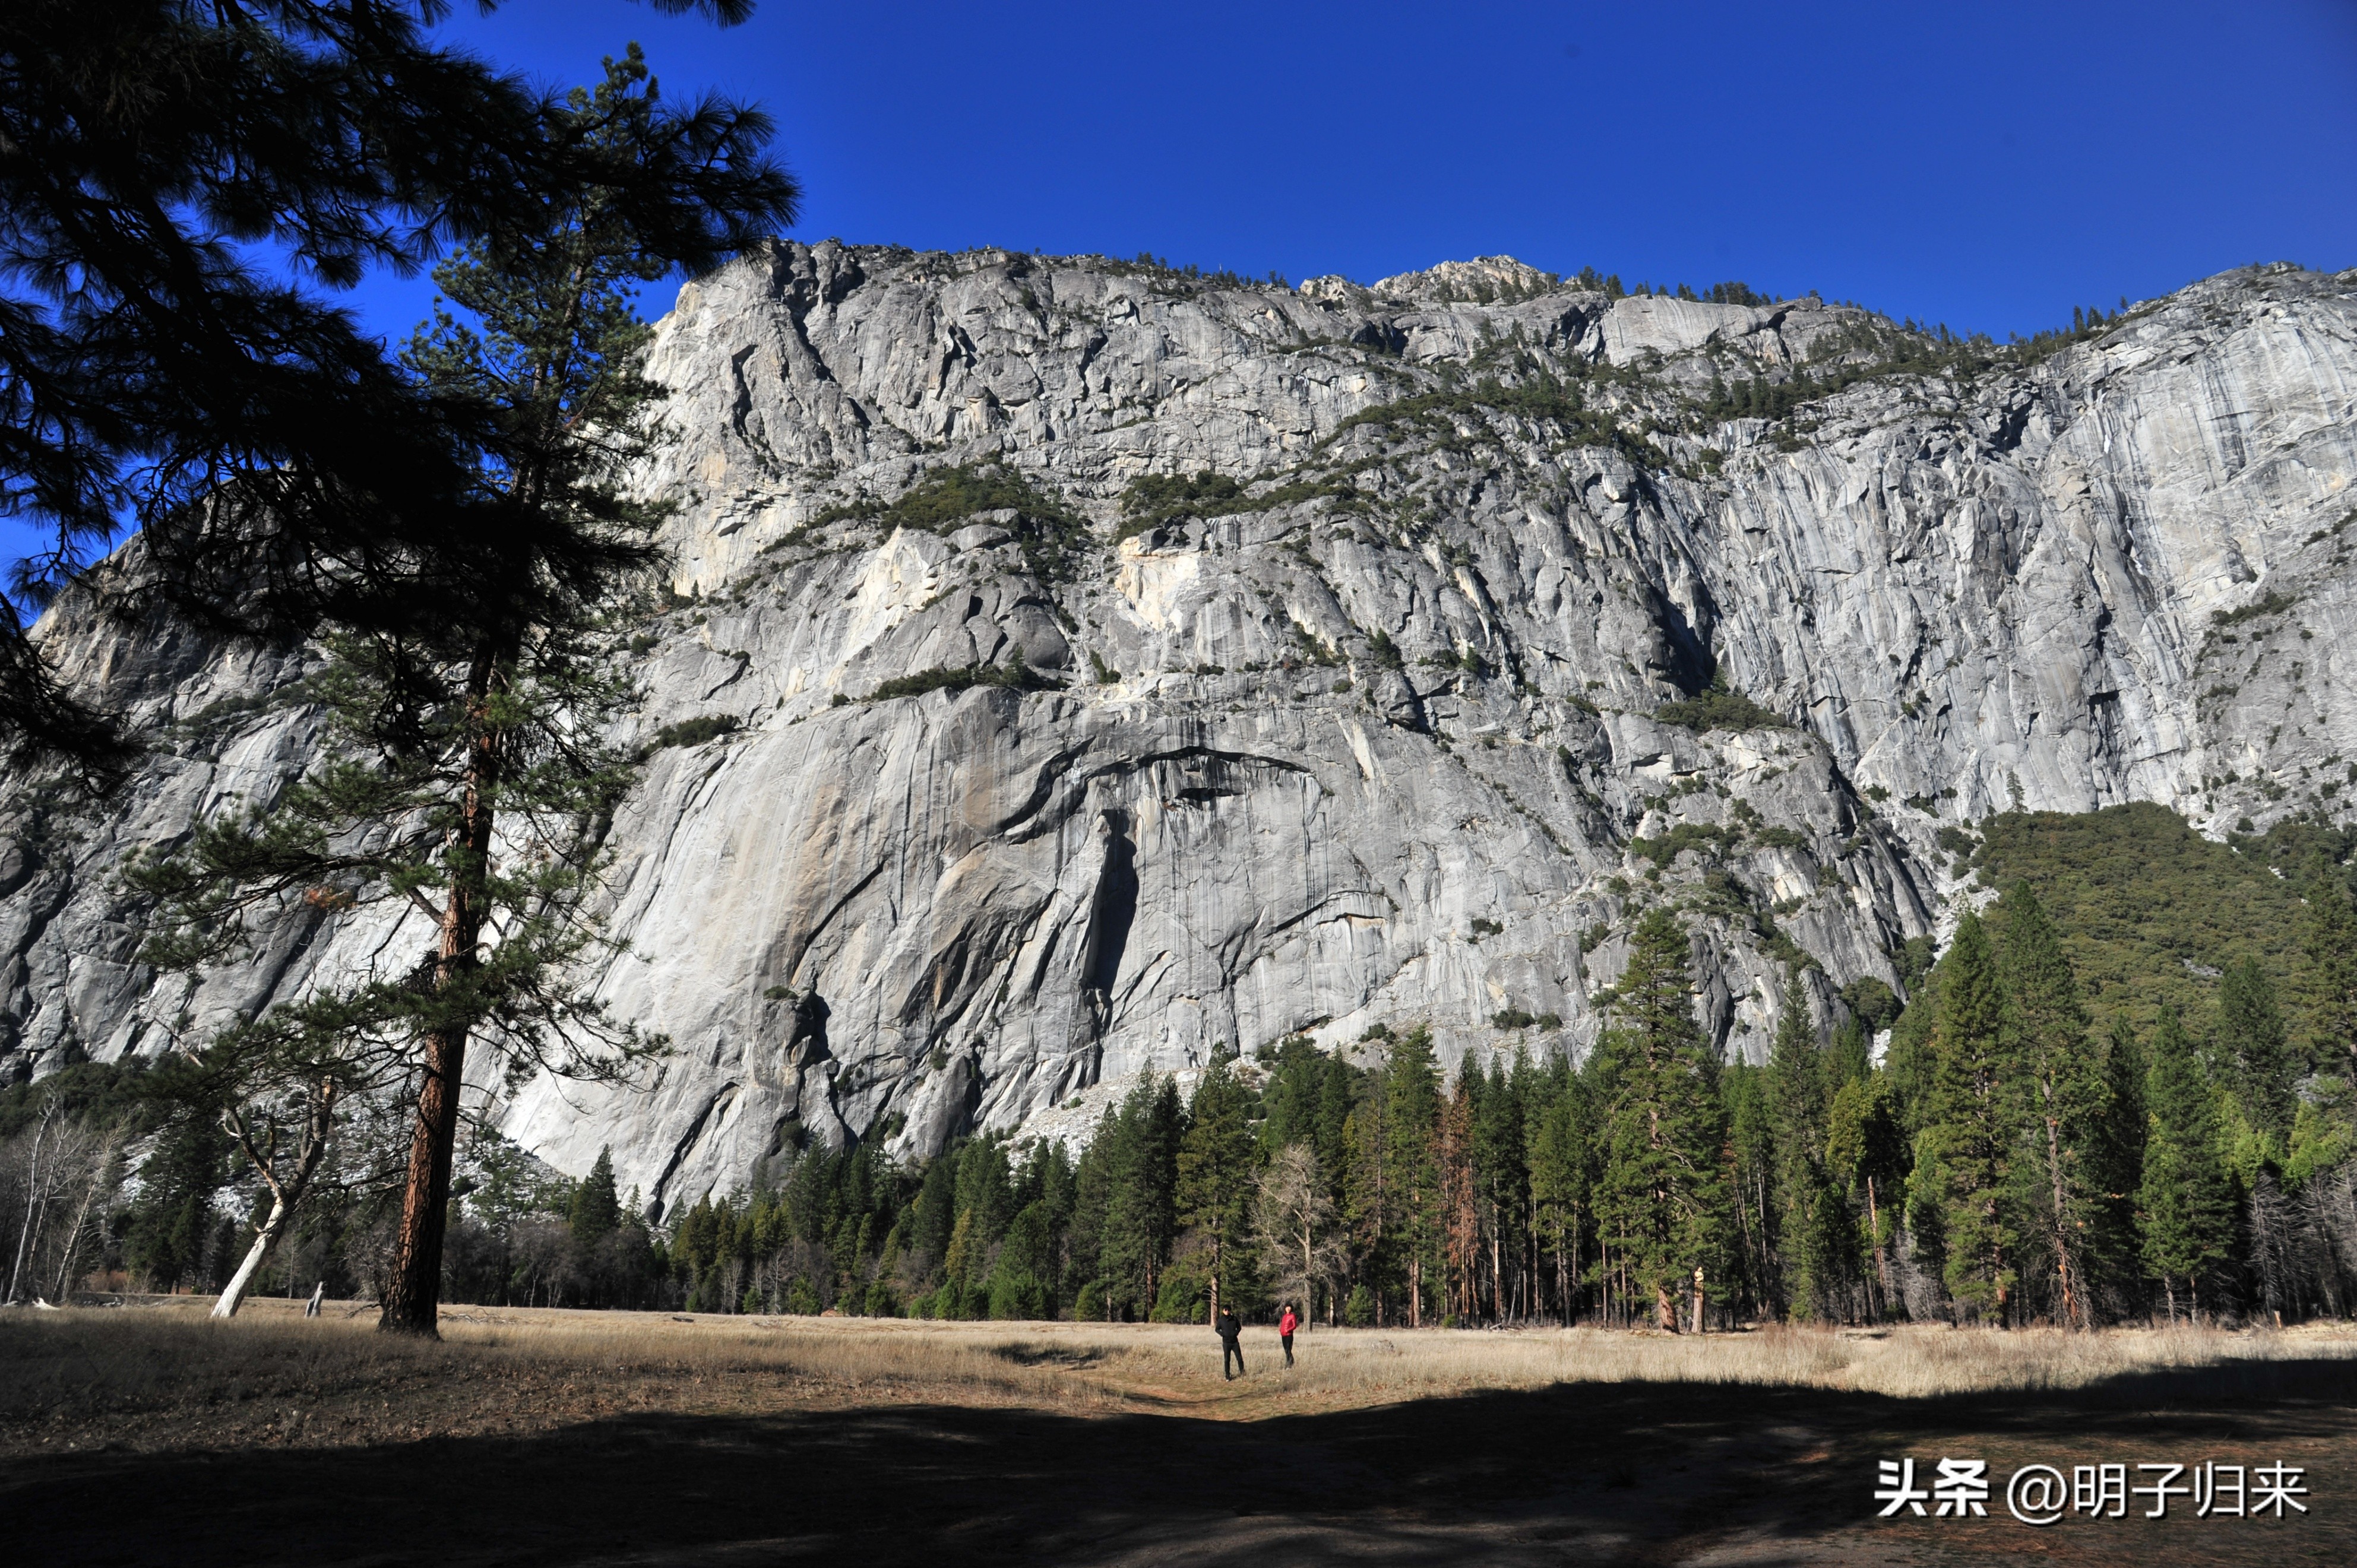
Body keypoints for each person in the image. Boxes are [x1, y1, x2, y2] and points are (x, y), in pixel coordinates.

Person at [1217, 1306, 1245, 1380]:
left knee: (1239, 1358)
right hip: (1226, 1343)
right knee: (1227, 1359)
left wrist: (1236, 1333)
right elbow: (1217, 1329)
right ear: (1223, 1311)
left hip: (1235, 1342)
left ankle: (1242, 1373)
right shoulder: (1221, 1320)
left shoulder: (1234, 1319)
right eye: (1225, 1310)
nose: (1227, 1311)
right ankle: (1227, 1375)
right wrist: (1222, 1334)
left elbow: (1239, 1327)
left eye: (1228, 1310)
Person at [1278, 1303, 1298, 1367]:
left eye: (1289, 1307)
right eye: (1287, 1307)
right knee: (1286, 1350)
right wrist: (1281, 1330)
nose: (1288, 1309)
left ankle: (1289, 1364)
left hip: (1289, 1335)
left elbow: (1294, 1326)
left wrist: (1288, 1330)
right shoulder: (1284, 1316)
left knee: (1288, 1350)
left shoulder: (1293, 1316)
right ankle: (1290, 1362)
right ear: (1285, 1308)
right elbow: (1282, 1325)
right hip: (1283, 1335)